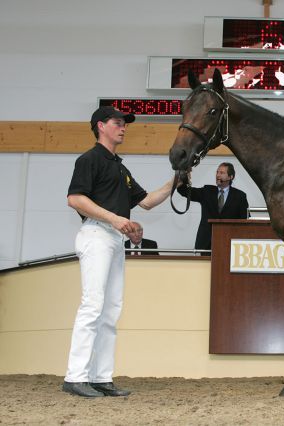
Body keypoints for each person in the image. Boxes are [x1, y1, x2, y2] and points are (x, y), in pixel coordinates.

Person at [63, 106, 175, 398]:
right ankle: (75, 376)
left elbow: (148, 201)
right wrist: (115, 219)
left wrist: (177, 180)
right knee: (93, 305)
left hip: (114, 240)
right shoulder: (89, 160)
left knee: (111, 310)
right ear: (101, 126)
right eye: (117, 122)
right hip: (96, 235)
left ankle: (100, 377)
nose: (123, 127)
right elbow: (75, 198)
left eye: (125, 124)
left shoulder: (120, 168)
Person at [177, 162, 249, 252]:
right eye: (217, 172)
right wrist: (183, 177)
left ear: (231, 177)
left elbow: (245, 221)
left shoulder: (240, 196)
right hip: (206, 243)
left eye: (222, 173)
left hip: (230, 243)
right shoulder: (207, 191)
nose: (218, 175)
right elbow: (185, 191)